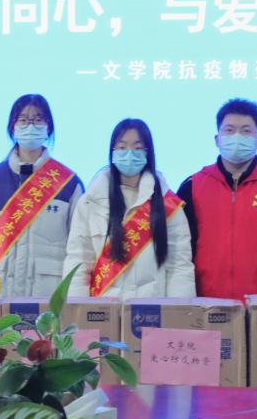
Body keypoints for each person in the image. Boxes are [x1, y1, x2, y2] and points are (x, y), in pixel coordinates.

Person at [177, 99, 257, 300]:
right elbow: (179, 254)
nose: (237, 137)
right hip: (204, 305)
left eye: (246, 131)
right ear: (217, 139)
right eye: (229, 130)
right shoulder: (192, 187)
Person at [0, 94, 84, 297]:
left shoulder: (69, 183)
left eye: (38, 119)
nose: (30, 126)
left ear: (48, 127)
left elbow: (78, 249)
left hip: (49, 298)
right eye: (23, 120)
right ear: (12, 127)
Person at [63, 118, 195, 298]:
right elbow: (78, 261)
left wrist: (178, 313)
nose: (129, 154)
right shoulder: (90, 201)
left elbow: (179, 266)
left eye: (137, 147)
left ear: (148, 153)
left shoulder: (167, 203)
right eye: (122, 147)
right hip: (103, 309)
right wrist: (77, 310)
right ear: (112, 152)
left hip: (152, 308)